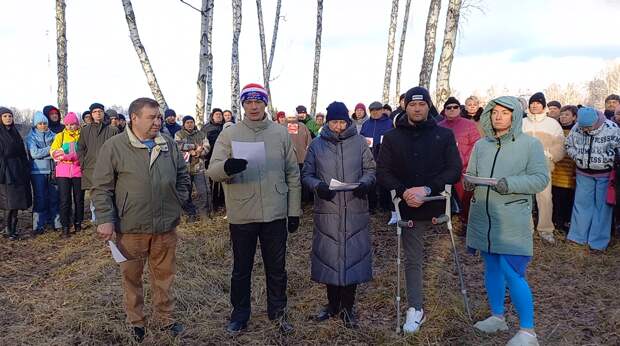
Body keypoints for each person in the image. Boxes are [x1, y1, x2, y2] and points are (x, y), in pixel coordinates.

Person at [92, 97, 190, 342]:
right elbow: (102, 187)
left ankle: (165, 318)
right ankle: (136, 321)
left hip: (165, 226)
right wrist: (105, 219)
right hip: (131, 226)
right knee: (132, 277)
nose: (158, 121)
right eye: (152, 117)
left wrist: (178, 198)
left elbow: (182, 175)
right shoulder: (114, 146)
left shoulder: (167, 143)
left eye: (159, 117)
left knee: (164, 275)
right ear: (134, 118)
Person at [207, 83, 301, 335]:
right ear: (243, 105)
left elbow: (292, 173)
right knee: (241, 269)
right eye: (248, 102)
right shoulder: (230, 134)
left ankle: (278, 313)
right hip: (242, 212)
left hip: (275, 212)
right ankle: (239, 315)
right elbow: (212, 171)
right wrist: (228, 167)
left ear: (265, 104)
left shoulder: (280, 133)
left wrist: (294, 211)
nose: (253, 106)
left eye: (258, 101)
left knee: (277, 268)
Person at [464, 96, 549, 346]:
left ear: (515, 116)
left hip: (511, 218)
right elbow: (473, 174)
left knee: (512, 272)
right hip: (484, 217)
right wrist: (468, 180)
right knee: (491, 267)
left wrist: (509, 184)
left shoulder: (529, 145)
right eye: (494, 112)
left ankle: (528, 331)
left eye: (505, 112)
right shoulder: (481, 145)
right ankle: (497, 316)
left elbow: (539, 179)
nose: (498, 116)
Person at [377, 86, 461, 334]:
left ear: (428, 106)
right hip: (408, 206)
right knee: (413, 258)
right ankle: (415, 307)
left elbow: (454, 169)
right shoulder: (392, 137)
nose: (416, 108)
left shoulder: (443, 135)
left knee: (444, 256)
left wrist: (427, 189)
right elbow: (383, 172)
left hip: (435, 201)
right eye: (412, 105)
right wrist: (404, 192)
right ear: (405, 106)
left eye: (421, 104)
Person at [301, 101, 376, 329]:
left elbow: (371, 169)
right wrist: (318, 186)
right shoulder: (316, 145)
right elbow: (307, 173)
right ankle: (332, 305)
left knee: (352, 258)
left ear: (348, 121)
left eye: (342, 121)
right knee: (330, 259)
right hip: (328, 209)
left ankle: (347, 308)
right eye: (334, 122)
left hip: (354, 208)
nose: (338, 126)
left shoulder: (360, 143)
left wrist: (364, 184)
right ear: (328, 121)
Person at [565, 107, 620, 251]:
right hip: (583, 173)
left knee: (602, 209)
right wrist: (577, 157)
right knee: (581, 205)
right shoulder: (577, 128)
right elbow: (568, 144)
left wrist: (609, 160)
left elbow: (618, 149)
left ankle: (598, 242)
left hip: (605, 174)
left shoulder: (612, 128)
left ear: (596, 121)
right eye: (583, 127)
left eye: (588, 127)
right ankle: (577, 237)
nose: (585, 130)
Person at [522, 92, 565, 243]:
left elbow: (560, 145)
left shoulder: (552, 124)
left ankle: (545, 229)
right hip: (524, 167)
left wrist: (550, 155)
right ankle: (526, 229)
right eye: (532, 103)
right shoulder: (522, 123)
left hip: (543, 166)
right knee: (525, 198)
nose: (534, 105)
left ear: (543, 105)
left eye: (538, 103)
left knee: (545, 198)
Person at [438, 97, 481, 235]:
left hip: (464, 168)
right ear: (444, 110)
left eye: (455, 107)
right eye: (448, 107)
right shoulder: (439, 126)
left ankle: (467, 222)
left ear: (459, 109)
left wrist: (463, 162)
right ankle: (445, 219)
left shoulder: (469, 124)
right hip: (444, 168)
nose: (452, 110)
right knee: (444, 195)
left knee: (465, 198)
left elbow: (476, 146)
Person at [78, 103, 119, 223]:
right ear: (91, 114)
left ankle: (111, 217)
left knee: (111, 192)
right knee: (95, 193)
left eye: (100, 111)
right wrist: (83, 163)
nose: (97, 113)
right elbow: (80, 148)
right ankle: (96, 217)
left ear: (103, 113)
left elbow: (118, 149)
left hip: (109, 167)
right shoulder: (85, 130)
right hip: (91, 167)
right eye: (95, 111)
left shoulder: (113, 130)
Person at [25, 111, 61, 236]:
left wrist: (49, 153)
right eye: (40, 123)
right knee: (40, 198)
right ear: (35, 125)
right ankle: (38, 225)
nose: (43, 126)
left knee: (54, 197)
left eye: (45, 123)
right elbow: (34, 154)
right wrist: (51, 150)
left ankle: (56, 223)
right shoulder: (31, 137)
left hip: (53, 170)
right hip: (37, 172)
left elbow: (59, 152)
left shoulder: (55, 136)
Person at [0, 107, 32, 240]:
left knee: (17, 201)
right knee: (9, 202)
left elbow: (21, 151)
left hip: (18, 169)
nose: (8, 118)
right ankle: (8, 230)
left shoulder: (15, 132)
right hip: (5, 170)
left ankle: (13, 228)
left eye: (10, 116)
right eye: (5, 116)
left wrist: (25, 166)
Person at [50, 112, 84, 238]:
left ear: (77, 124)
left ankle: (78, 223)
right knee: (65, 200)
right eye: (68, 124)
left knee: (79, 199)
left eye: (73, 124)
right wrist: (62, 155)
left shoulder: (82, 135)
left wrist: (72, 156)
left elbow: (84, 152)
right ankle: (65, 226)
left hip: (78, 171)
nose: (70, 127)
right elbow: (53, 151)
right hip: (63, 172)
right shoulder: (60, 136)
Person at [175, 115, 211, 222]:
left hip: (199, 167)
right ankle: (191, 213)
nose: (190, 124)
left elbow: (207, 146)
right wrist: (194, 148)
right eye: (187, 122)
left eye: (191, 122)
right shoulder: (179, 134)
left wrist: (199, 153)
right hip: (184, 169)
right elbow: (178, 146)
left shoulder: (201, 134)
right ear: (184, 124)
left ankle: (204, 213)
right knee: (186, 193)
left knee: (203, 192)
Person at [360, 101, 393, 218]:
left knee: (384, 181)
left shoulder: (389, 123)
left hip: (384, 155)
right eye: (372, 111)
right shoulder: (366, 124)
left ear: (382, 110)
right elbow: (361, 137)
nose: (375, 112)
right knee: (370, 182)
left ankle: (385, 205)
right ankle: (371, 206)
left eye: (377, 110)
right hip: (369, 155)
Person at [551, 105, 577, 233]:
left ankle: (566, 222)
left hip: (568, 171)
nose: (563, 117)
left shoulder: (576, 132)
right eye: (562, 114)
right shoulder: (555, 131)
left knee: (567, 198)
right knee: (555, 197)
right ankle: (556, 222)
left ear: (574, 117)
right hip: (556, 170)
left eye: (567, 115)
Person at [201, 108, 226, 211]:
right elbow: (202, 142)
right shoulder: (206, 128)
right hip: (211, 157)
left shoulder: (226, 126)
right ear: (212, 116)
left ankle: (222, 201)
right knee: (212, 181)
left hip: (224, 157)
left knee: (224, 181)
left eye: (220, 114)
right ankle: (213, 203)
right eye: (217, 114)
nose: (219, 116)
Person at [285, 112, 313, 202]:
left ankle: (296, 200)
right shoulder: (303, 126)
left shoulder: (282, 127)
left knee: (292, 181)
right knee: (302, 180)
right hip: (302, 158)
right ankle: (304, 200)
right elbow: (309, 142)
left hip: (289, 159)